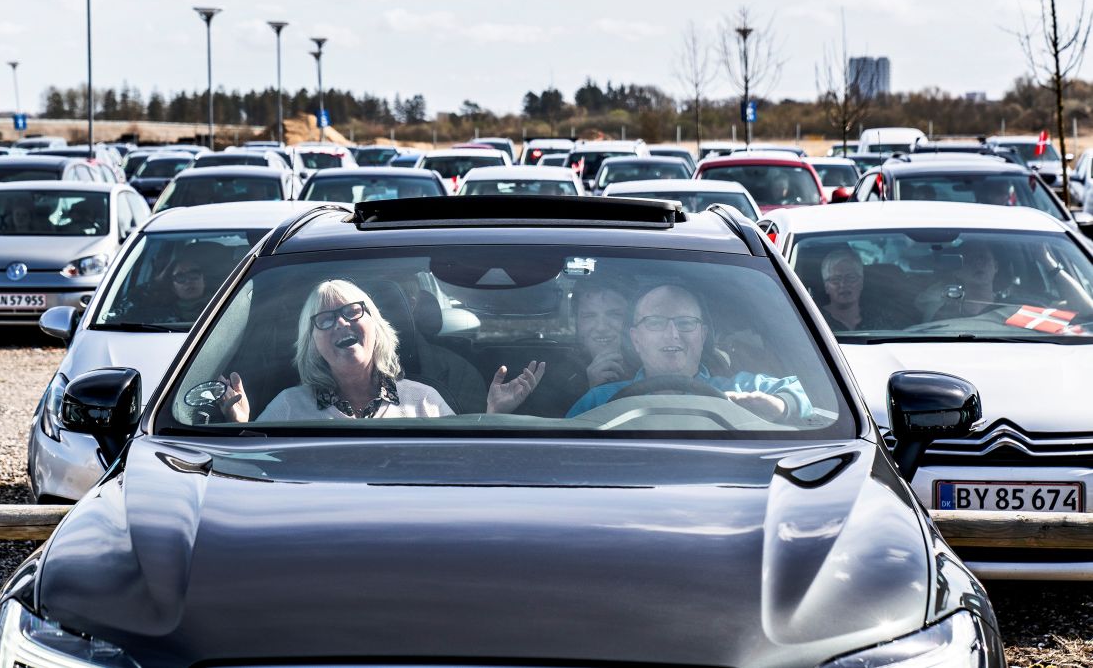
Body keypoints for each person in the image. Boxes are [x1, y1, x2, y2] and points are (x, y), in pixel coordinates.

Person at [220, 279, 544, 422]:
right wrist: (240, 427)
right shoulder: (287, 408)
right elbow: (254, 480)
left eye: (351, 312)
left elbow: (461, 468)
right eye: (325, 319)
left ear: (377, 327)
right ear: (312, 344)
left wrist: (493, 417)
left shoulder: (425, 400)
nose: (341, 324)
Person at [565, 284, 811, 421]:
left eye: (685, 323)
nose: (672, 334)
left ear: (703, 335)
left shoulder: (739, 390)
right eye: (656, 323)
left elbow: (814, 391)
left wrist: (783, 404)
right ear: (635, 339)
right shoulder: (599, 400)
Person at [819, 249, 900, 331]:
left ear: (861, 283)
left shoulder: (879, 319)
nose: (843, 284)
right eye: (835, 279)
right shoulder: (815, 321)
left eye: (851, 278)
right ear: (826, 286)